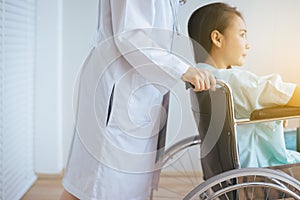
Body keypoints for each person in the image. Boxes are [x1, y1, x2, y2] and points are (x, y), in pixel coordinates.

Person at [59, 0, 216, 200]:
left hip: (136, 93)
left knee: (98, 182)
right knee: (98, 183)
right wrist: (183, 70)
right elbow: (130, 35)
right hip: (118, 91)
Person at [188, 2, 300, 169]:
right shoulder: (231, 80)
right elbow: (279, 92)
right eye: (242, 35)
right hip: (262, 167)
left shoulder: (203, 77)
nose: (248, 44)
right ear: (217, 39)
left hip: (234, 161)